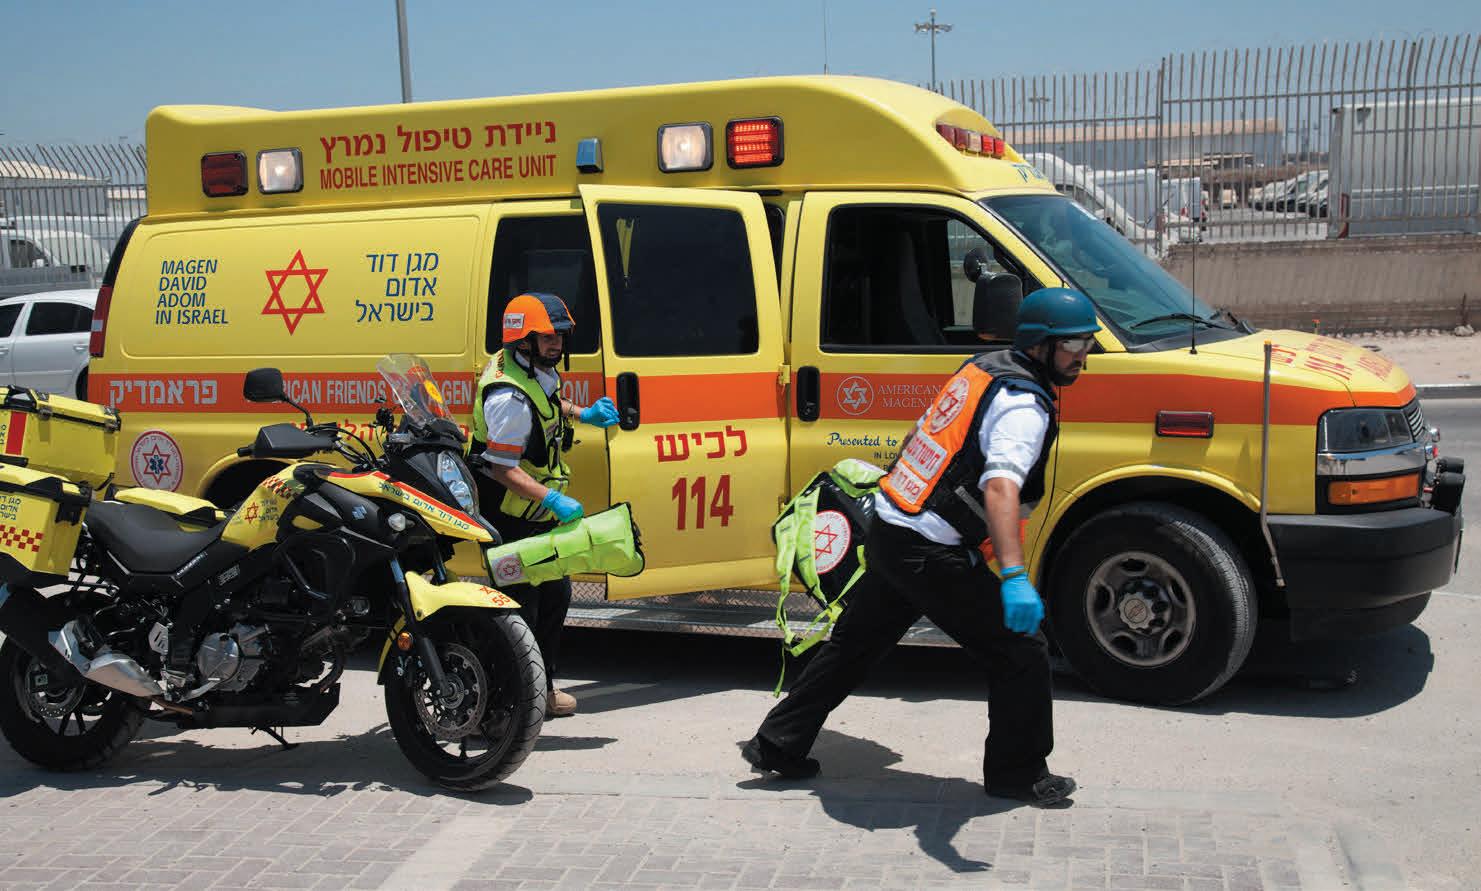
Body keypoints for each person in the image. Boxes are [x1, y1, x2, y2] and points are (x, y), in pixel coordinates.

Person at [742, 287, 1101, 807]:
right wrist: (1015, 578)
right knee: (1021, 650)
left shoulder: (982, 369)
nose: (1083, 354)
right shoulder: (1024, 405)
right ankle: (1018, 773)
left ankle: (777, 742)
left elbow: (925, 435)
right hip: (928, 548)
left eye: (1087, 342)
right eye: (1073, 344)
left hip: (892, 527)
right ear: (1040, 344)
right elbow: (1001, 488)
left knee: (855, 645)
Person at [472, 292, 619, 718]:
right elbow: (501, 468)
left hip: (531, 514)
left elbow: (548, 404)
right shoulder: (509, 399)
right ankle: (499, 707)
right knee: (518, 607)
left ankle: (541, 688)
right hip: (507, 515)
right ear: (524, 340)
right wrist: (552, 498)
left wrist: (583, 413)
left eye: (560, 336)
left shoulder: (530, 369)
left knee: (555, 594)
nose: (557, 344)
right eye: (548, 337)